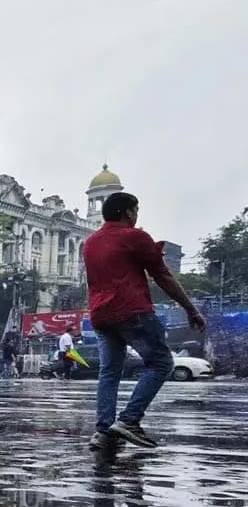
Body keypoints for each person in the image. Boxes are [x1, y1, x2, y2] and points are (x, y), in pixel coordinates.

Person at [84, 192, 206, 449]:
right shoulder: (134, 236)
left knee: (109, 372)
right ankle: (129, 420)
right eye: (136, 209)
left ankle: (104, 431)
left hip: (100, 315)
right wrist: (191, 309)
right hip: (132, 310)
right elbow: (163, 276)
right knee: (161, 362)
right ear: (128, 212)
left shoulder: (91, 242)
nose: (137, 214)